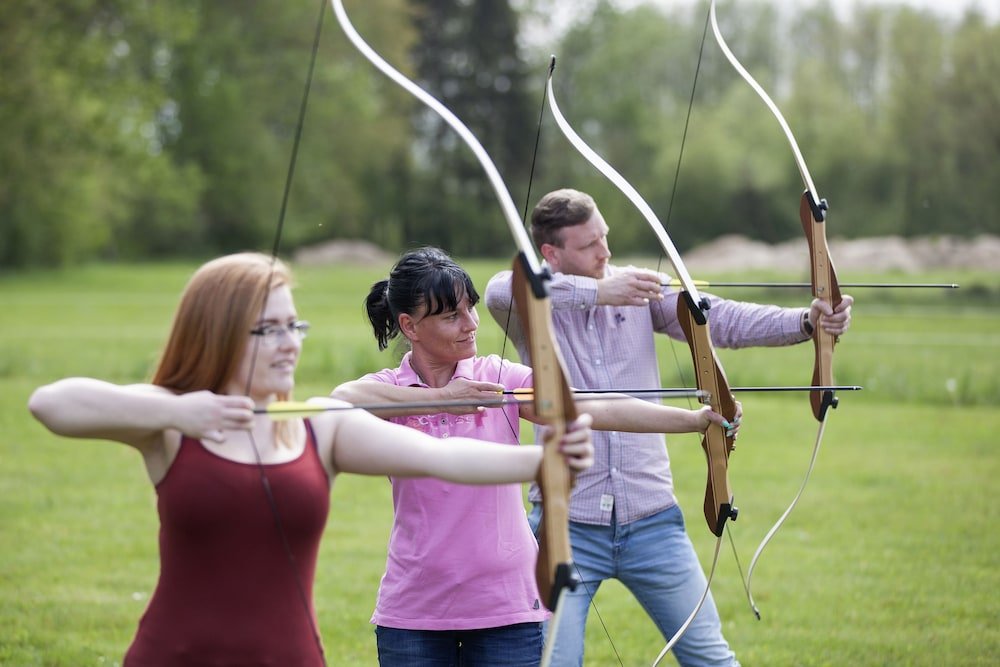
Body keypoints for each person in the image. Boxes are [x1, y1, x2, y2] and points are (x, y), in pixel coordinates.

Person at [27, 251, 597, 667]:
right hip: (175, 653)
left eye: (293, 325)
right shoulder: (173, 424)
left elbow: (441, 457)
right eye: (267, 328)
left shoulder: (317, 424)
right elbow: (51, 404)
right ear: (220, 331)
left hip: (290, 654)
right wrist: (180, 412)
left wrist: (546, 460)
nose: (290, 342)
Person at [484, 188, 855, 667]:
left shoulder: (640, 290)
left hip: (652, 521)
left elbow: (717, 318)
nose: (606, 252)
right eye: (590, 245)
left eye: (605, 237)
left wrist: (806, 321)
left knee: (711, 659)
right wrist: (598, 291)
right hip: (565, 524)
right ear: (551, 254)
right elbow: (500, 287)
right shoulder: (529, 303)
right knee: (553, 661)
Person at [330, 246, 739, 667]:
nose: (471, 325)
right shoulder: (392, 389)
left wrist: (693, 420)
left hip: (507, 606)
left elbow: (592, 406)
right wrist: (439, 399)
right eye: (452, 316)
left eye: (470, 309)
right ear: (409, 326)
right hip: (413, 610)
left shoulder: (498, 378)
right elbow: (340, 401)